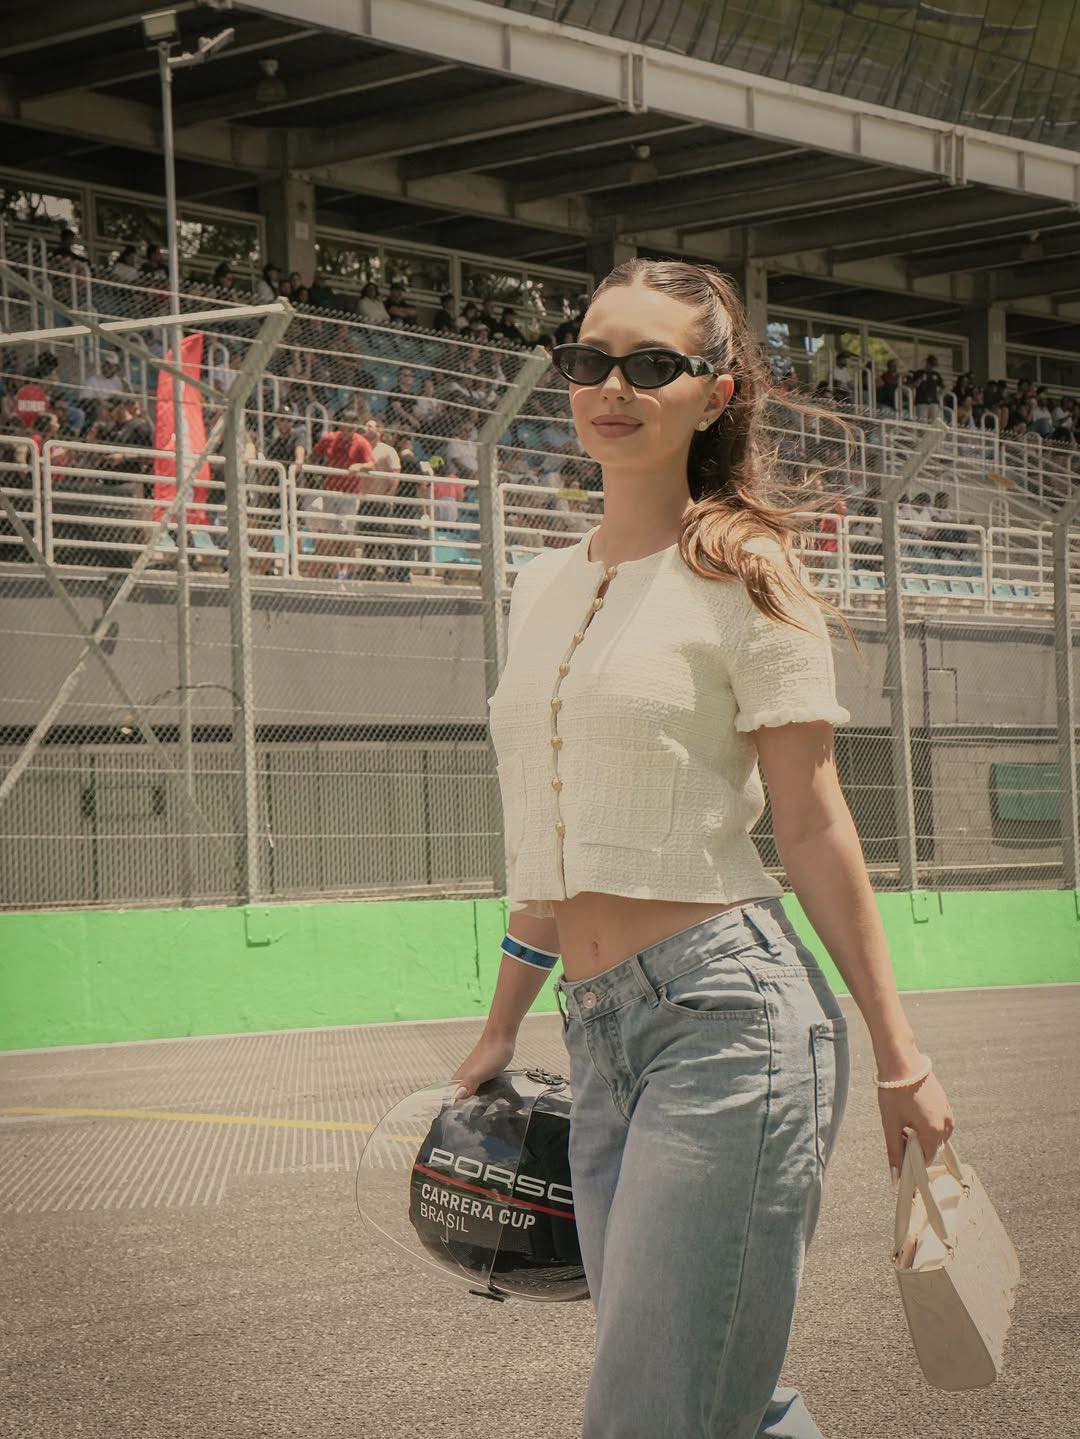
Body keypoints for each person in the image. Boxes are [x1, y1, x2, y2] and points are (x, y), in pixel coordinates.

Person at [451, 258, 955, 1438]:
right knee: (722, 1395)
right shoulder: (539, 583)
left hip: (727, 1021)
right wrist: (501, 1024)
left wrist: (901, 1056)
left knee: (657, 1408)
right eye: (589, 360)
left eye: (651, 365)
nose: (611, 387)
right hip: (597, 1030)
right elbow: (556, 836)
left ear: (715, 392)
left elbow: (814, 820)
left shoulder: (746, 570)